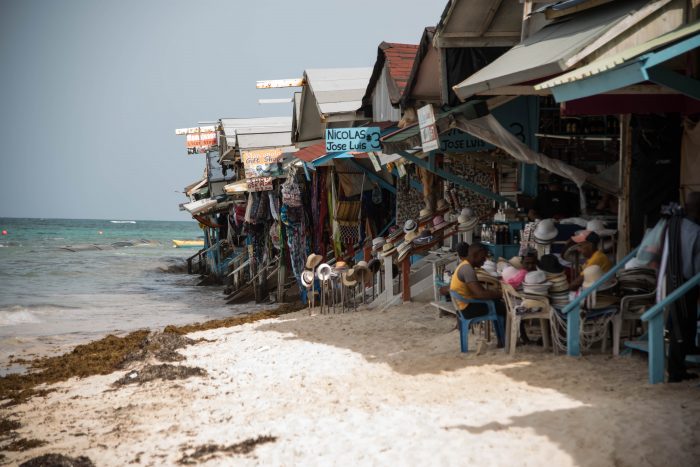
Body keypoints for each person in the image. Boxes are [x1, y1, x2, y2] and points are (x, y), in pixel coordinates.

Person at [666, 192, 700, 382]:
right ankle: (676, 371)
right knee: (683, 324)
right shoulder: (695, 231)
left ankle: (685, 355)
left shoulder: (673, 225)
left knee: (678, 322)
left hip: (670, 280)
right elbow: (697, 267)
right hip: (686, 283)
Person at [450, 243, 506, 346]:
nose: (484, 260)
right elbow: (480, 294)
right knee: (504, 308)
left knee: (497, 303)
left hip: (462, 307)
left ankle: (502, 340)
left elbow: (478, 291)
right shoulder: (467, 269)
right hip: (467, 309)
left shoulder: (464, 265)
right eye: (483, 257)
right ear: (474, 255)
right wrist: (502, 294)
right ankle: (504, 341)